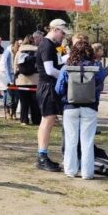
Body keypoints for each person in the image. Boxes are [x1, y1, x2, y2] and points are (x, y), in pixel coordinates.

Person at [55, 39, 108, 179]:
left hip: (70, 107)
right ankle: (87, 172)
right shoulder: (95, 67)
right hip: (90, 107)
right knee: (88, 141)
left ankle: (70, 170)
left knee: (71, 140)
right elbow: (99, 85)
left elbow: (59, 89)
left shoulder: (66, 67)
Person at [35, 19, 69, 171]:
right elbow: (50, 70)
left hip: (49, 86)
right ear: (55, 29)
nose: (63, 36)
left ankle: (43, 156)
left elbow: (55, 63)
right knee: (47, 122)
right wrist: (65, 75)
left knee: (48, 121)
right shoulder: (47, 45)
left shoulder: (50, 45)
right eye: (62, 32)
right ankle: (42, 157)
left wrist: (66, 60)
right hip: (47, 86)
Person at [14, 34, 40, 127]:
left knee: (24, 102)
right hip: (35, 80)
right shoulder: (37, 50)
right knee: (35, 102)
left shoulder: (19, 51)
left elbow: (15, 66)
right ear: (33, 41)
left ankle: (24, 120)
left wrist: (16, 76)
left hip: (22, 80)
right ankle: (36, 120)